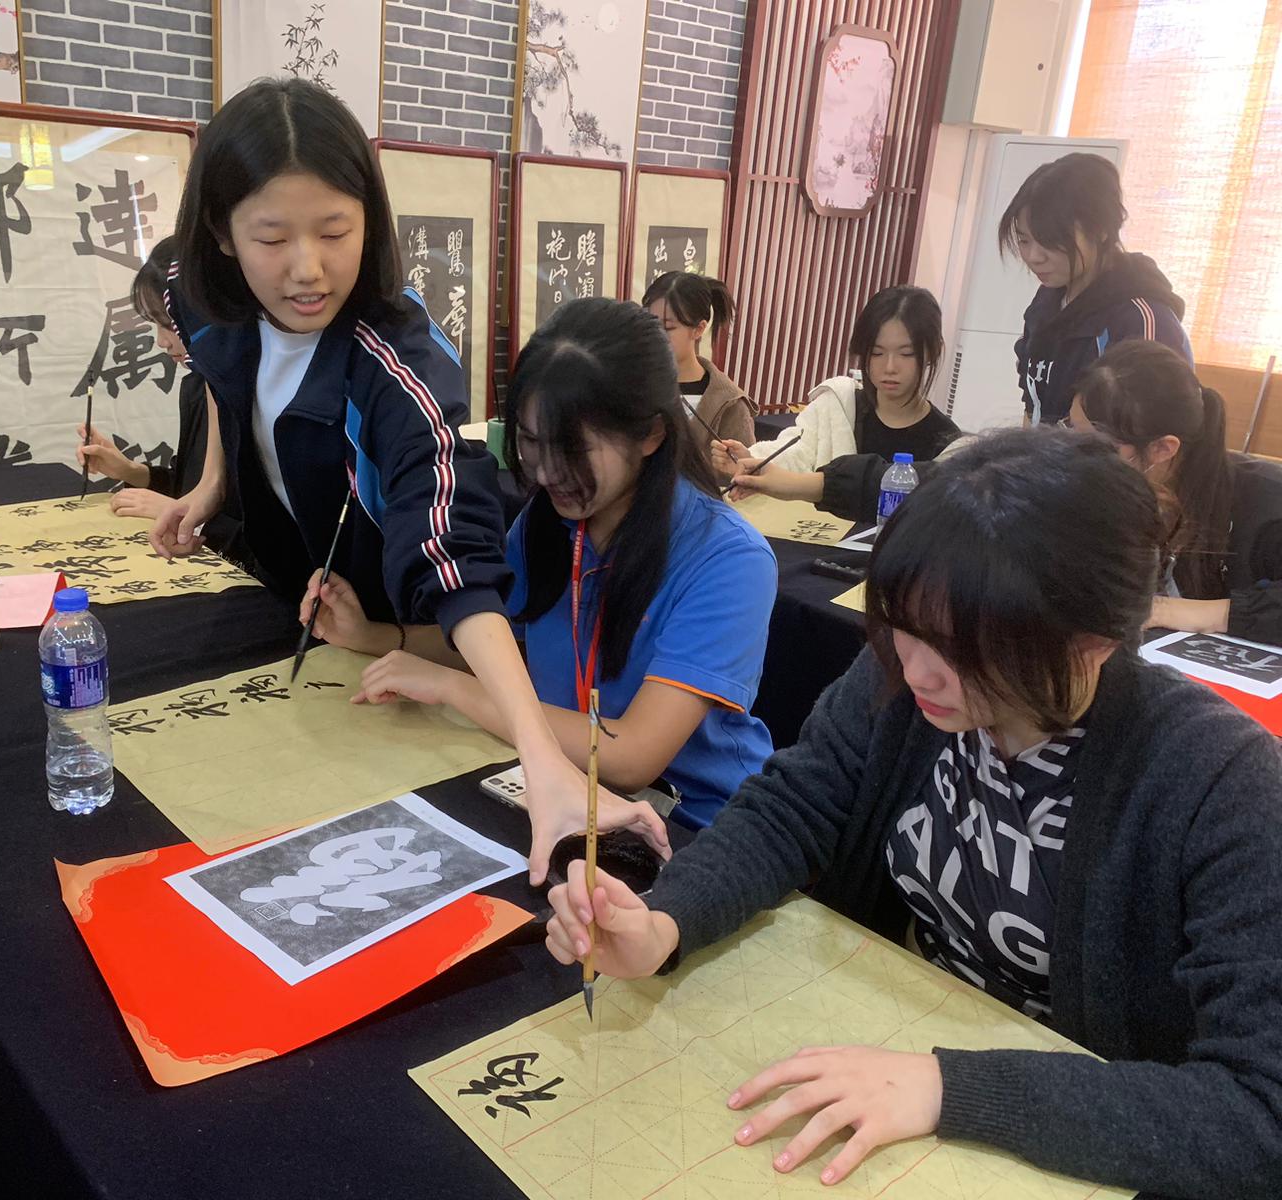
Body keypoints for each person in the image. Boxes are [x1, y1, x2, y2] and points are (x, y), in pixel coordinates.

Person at [545, 429, 1282, 1195]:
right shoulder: (905, 676)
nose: (917, 668)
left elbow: (1262, 1113)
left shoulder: (1218, 778)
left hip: (1072, 1128)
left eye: (961, 647)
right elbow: (795, 805)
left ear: (1091, 645)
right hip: (899, 1040)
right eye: (901, 624)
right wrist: (666, 922)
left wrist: (950, 1089)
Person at [147, 77, 665, 881]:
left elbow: (452, 551)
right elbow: (223, 375)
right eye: (272, 238)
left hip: (396, 643)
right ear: (221, 233)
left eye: (335, 231)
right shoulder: (200, 294)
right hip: (299, 617)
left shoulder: (399, 363)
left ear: (370, 218)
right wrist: (213, 485)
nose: (308, 270)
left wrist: (541, 759)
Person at [320, 299, 778, 829]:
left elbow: (631, 757)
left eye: (574, 449)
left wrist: (451, 688)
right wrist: (371, 636)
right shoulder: (549, 523)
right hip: (558, 780)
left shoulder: (728, 559)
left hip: (693, 822)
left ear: (651, 435)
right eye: (531, 442)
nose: (545, 472)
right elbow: (502, 647)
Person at [1069, 339, 1282, 644]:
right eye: (1071, 431)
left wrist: (1171, 611)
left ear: (1163, 448)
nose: (1077, 456)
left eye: (1097, 445)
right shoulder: (1104, 491)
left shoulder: (1265, 502)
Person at [1002, 152, 1191, 425]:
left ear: (1101, 229)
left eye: (1050, 241)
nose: (1033, 257)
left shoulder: (1141, 321)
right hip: (1048, 453)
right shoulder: (1047, 301)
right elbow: (1033, 407)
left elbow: (1145, 435)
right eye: (1024, 240)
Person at [711, 286, 958, 494]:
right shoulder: (841, 405)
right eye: (877, 353)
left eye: (906, 354)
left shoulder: (947, 444)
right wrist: (754, 460)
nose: (890, 367)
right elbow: (800, 453)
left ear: (932, 351)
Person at [74, 239, 212, 523]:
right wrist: (129, 471)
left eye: (169, 323)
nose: (162, 341)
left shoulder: (251, 395)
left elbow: (257, 521)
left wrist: (185, 516)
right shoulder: (197, 387)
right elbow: (190, 486)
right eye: (156, 324)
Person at [640, 271, 755, 476]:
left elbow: (745, 476)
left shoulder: (729, 404)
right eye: (650, 324)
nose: (655, 335)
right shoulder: (632, 385)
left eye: (667, 327)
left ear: (699, 329)